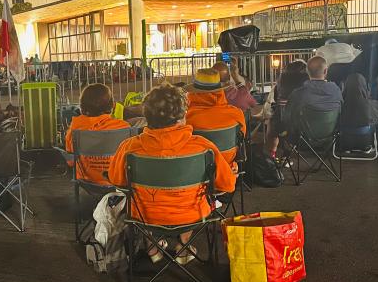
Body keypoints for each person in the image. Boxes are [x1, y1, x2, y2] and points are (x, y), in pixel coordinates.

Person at [109, 84, 235, 264]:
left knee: (146, 196)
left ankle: (152, 245)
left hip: (145, 215)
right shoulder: (203, 147)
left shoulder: (129, 147)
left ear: (147, 116)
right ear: (183, 115)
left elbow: (117, 181)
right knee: (190, 195)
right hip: (192, 214)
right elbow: (227, 185)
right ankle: (184, 247)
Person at [65, 84, 129, 185]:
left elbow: (70, 161)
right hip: (118, 182)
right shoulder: (124, 127)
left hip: (87, 181)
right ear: (111, 105)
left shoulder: (75, 128)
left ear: (82, 106)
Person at [185, 68, 247, 170]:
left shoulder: (187, 119)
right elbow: (241, 138)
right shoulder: (236, 114)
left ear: (194, 93)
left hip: (198, 167)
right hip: (228, 164)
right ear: (220, 91)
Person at [264, 60, 309, 157]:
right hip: (306, 125)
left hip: (283, 125)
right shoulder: (307, 82)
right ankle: (287, 152)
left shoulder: (281, 81)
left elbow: (276, 99)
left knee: (272, 121)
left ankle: (272, 153)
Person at [283, 56, 343, 128]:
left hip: (305, 137)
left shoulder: (298, 94)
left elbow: (287, 118)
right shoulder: (335, 90)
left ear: (307, 71)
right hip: (332, 136)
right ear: (325, 71)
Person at [341, 73, 378, 151]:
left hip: (344, 143)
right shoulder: (373, 105)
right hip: (367, 143)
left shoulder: (340, 105)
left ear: (346, 87)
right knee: (377, 125)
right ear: (365, 87)